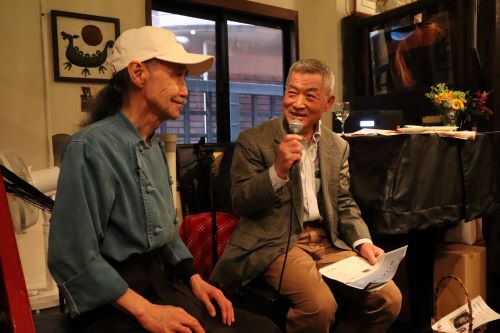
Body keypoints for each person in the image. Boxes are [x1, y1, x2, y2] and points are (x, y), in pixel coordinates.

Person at [47, 26, 281, 333]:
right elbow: (70, 257)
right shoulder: (90, 147)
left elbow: (166, 234)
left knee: (263, 328)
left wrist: (196, 281)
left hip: (162, 281)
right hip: (114, 299)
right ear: (138, 73)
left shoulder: (153, 145)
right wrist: (147, 312)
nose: (185, 90)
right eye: (176, 75)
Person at [211, 59, 402, 333]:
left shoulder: (338, 146)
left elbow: (344, 202)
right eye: (292, 93)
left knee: (389, 298)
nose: (297, 103)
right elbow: (240, 202)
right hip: (276, 242)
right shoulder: (254, 140)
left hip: (327, 241)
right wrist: (277, 171)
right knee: (319, 306)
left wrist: (362, 241)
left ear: (327, 103)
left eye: (310, 96)